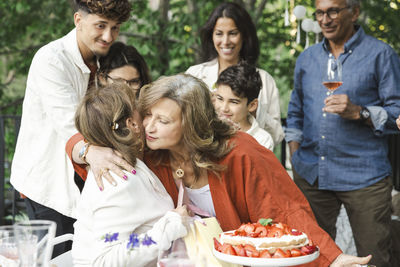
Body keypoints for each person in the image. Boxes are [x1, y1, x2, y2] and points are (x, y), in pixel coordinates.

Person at [68, 74, 372, 266]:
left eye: (162, 120)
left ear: (192, 123)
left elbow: (285, 211)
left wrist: (332, 258)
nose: (147, 127)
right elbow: (97, 142)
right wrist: (86, 150)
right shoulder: (150, 149)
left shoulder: (241, 152)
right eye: (146, 115)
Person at [10, 0, 131, 257]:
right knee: (54, 256)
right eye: (101, 25)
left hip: (88, 182)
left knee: (85, 256)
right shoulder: (50, 59)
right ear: (78, 20)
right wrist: (92, 152)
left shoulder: (104, 63)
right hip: (48, 181)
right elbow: (68, 123)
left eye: (115, 28)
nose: (108, 36)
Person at [285, 0, 400, 266]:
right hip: (312, 176)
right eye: (320, 13)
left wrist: (361, 113)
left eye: (333, 11)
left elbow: (397, 113)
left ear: (354, 12)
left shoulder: (381, 54)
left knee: (374, 259)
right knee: (308, 256)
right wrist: (295, 153)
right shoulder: (307, 58)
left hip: (365, 177)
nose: (325, 19)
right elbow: (295, 111)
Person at [71, 83, 188, 266]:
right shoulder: (117, 182)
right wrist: (171, 226)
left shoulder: (130, 164)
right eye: (140, 110)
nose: (147, 117)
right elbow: (104, 260)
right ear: (132, 124)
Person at [186, 2, 284, 146]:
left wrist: (254, 111)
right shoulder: (195, 74)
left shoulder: (264, 80)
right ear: (211, 35)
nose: (225, 42)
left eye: (233, 33)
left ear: (244, 36)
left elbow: (276, 136)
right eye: (219, 33)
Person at [214, 62, 274, 150]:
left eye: (233, 102)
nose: (224, 108)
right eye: (220, 98)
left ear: (252, 105)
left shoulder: (262, 141)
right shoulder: (208, 131)